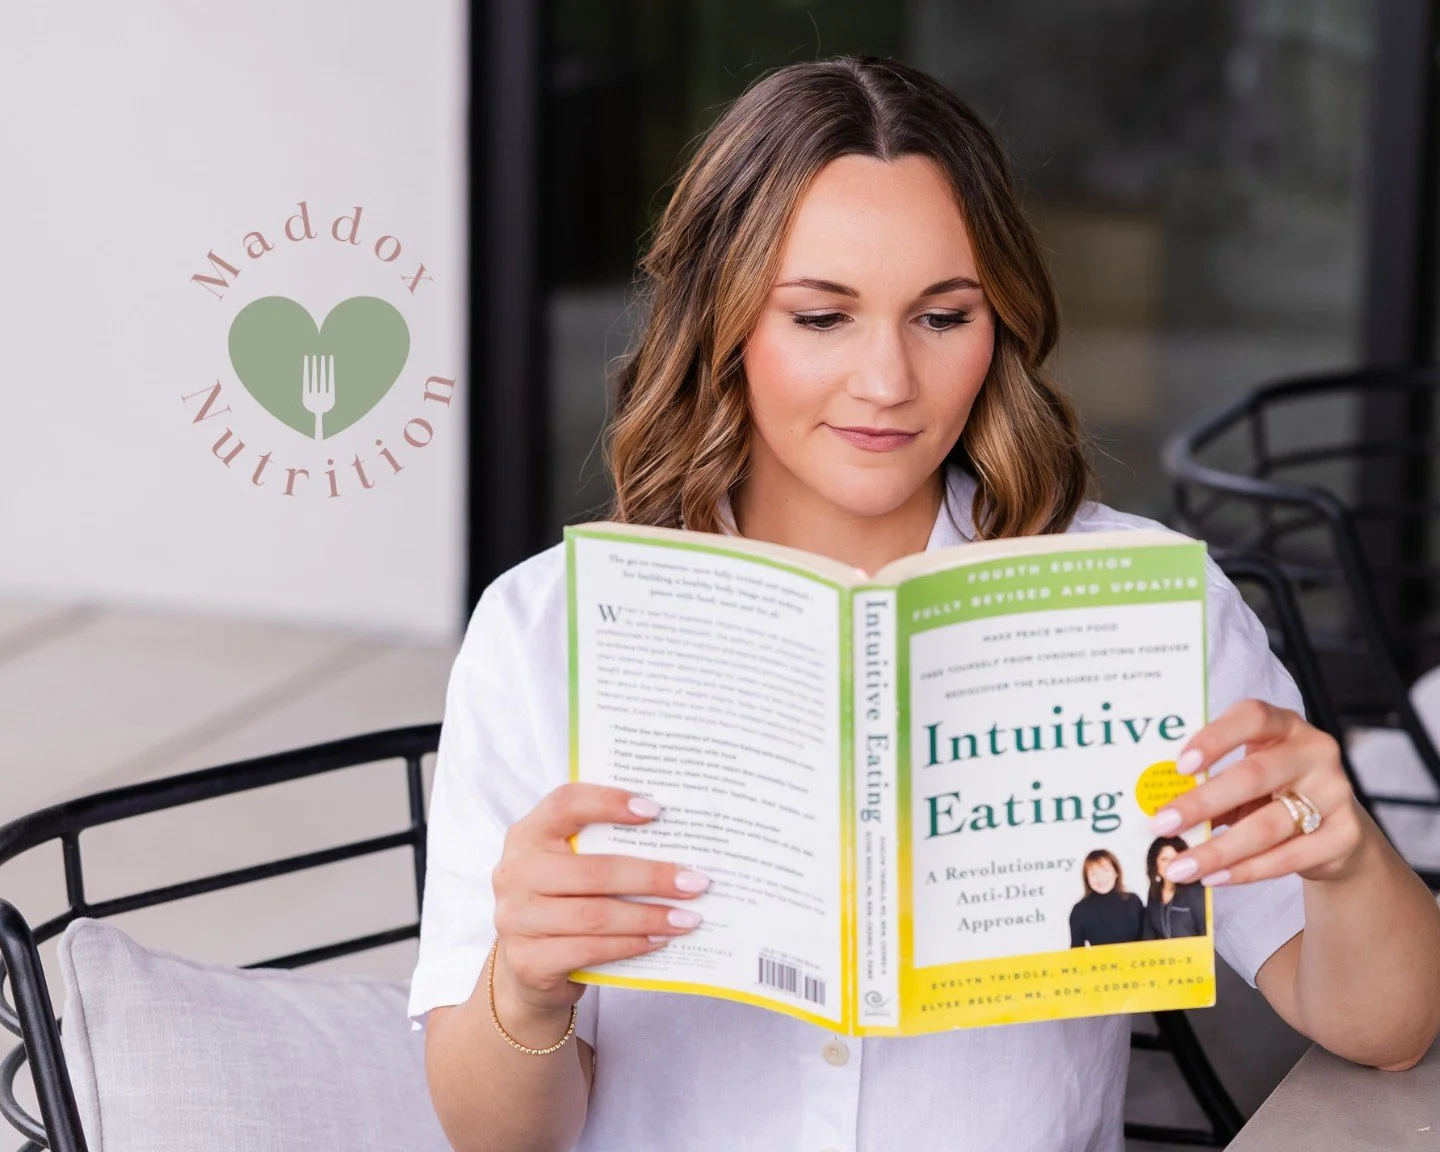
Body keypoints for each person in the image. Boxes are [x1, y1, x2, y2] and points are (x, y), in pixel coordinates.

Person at [408, 56, 1440, 1152]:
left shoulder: (1143, 608)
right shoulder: (545, 631)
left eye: (943, 316)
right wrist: (525, 990)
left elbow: (1388, 1033)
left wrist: (1342, 852)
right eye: (821, 317)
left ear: (999, 323)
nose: (888, 382)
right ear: (725, 322)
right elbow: (495, 1137)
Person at [1070, 849, 1145, 947]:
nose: (1101, 878)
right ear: (1086, 878)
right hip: (1100, 962)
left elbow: (1147, 940)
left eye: (1105, 870)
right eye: (1093, 874)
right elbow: (1076, 952)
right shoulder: (1079, 910)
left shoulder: (1133, 901)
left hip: (1135, 960)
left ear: (1116, 872)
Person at [1143, 835, 1209, 940]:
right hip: (1168, 956)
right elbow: (1150, 932)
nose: (1170, 864)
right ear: (1155, 863)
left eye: (1175, 859)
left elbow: (1206, 933)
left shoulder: (1195, 890)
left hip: (1195, 955)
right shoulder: (1154, 891)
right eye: (1164, 859)